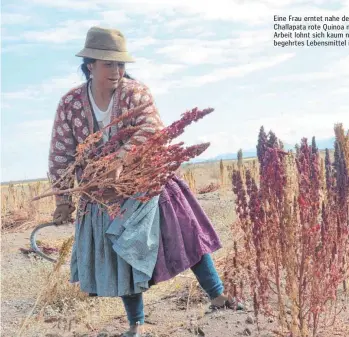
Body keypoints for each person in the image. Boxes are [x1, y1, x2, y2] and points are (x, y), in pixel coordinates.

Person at [48, 26, 243, 337]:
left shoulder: (135, 93)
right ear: (90, 66)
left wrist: (122, 157)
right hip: (103, 195)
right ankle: (136, 323)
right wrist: (63, 201)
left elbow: (152, 128)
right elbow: (61, 152)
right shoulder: (70, 104)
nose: (116, 71)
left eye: (120, 64)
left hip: (148, 180)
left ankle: (218, 295)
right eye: (108, 64)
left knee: (186, 234)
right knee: (123, 251)